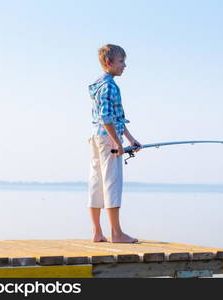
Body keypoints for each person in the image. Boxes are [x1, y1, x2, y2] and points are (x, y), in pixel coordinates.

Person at [87, 44, 142, 243]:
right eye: (121, 61)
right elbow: (106, 117)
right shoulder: (110, 85)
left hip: (96, 137)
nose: (124, 65)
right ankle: (116, 234)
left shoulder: (98, 83)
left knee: (96, 182)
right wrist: (118, 143)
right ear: (109, 63)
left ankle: (97, 232)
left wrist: (130, 139)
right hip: (108, 138)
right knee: (112, 183)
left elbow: (115, 118)